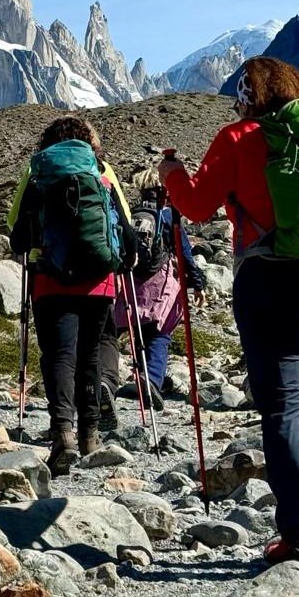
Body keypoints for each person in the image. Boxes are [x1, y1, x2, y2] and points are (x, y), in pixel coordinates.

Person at [158, 56, 299, 569]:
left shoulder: (238, 137)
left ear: (248, 94)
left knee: (283, 404)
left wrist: (171, 173)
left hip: (272, 280)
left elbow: (198, 205)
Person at [8, 116, 134, 475]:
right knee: (91, 355)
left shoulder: (38, 173)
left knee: (60, 355)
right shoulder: (102, 172)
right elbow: (123, 227)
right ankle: (90, 435)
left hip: (50, 278)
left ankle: (62, 432)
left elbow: (16, 231)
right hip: (99, 281)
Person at [98, 172, 206, 428]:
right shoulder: (168, 215)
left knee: (112, 333)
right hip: (160, 284)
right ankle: (151, 380)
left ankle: (103, 379)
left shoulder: (131, 213)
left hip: (129, 283)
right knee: (158, 334)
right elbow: (185, 252)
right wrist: (197, 282)